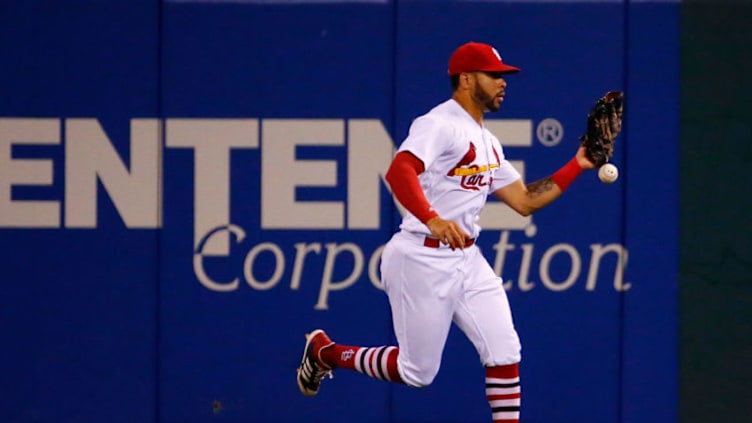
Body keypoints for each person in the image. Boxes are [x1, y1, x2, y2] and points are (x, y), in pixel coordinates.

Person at [296, 41, 597, 423]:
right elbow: (399, 170)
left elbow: (524, 201)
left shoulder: (487, 142)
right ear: (467, 79)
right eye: (495, 76)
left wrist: (578, 163)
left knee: (504, 351)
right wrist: (432, 217)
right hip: (420, 256)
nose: (504, 83)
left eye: (504, 76)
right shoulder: (439, 123)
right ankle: (325, 352)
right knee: (417, 373)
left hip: (467, 259)